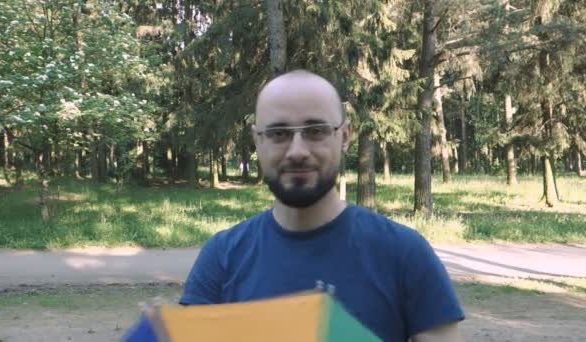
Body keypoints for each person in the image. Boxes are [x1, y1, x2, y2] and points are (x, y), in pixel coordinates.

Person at [180, 70, 464, 342]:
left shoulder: (405, 254)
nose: (298, 152)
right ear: (257, 140)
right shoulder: (222, 258)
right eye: (279, 133)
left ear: (345, 136)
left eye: (316, 131)